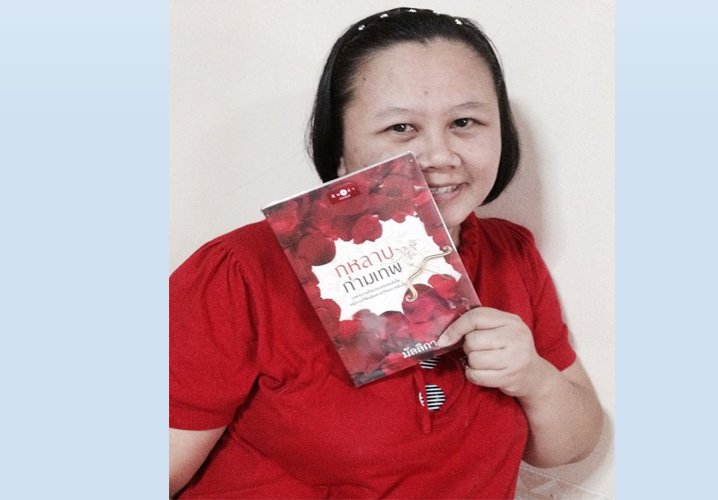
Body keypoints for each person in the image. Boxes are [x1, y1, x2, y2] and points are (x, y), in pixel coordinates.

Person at [170, 7, 603, 498]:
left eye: (465, 122)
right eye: (401, 128)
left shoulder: (511, 254)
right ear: (338, 145)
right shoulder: (239, 272)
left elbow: (569, 446)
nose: (440, 156)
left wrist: (534, 379)